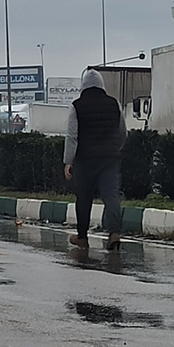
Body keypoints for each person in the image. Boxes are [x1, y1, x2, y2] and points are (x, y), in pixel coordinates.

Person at [63, 68, 126, 250]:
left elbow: (72, 136)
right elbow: (123, 132)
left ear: (83, 86)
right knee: (111, 195)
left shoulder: (77, 106)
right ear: (101, 85)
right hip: (110, 159)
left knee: (83, 197)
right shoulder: (114, 104)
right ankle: (114, 233)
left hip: (85, 159)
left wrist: (69, 161)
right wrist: (116, 148)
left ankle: (82, 237)